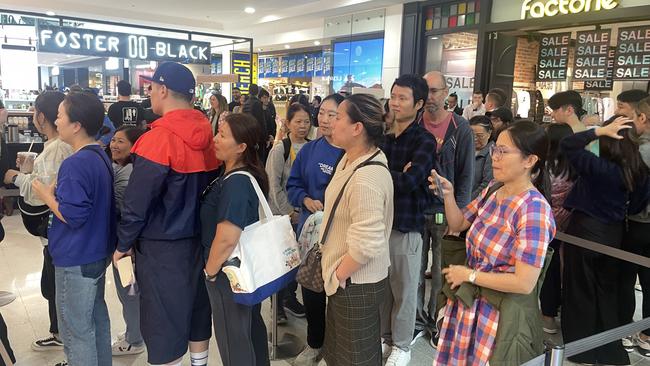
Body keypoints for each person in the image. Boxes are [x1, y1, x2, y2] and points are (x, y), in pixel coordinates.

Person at [113, 62, 218, 366]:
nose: (149, 94)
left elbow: (137, 202)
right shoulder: (208, 135)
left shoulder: (157, 139)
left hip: (162, 248)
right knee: (199, 309)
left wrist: (123, 244)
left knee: (161, 321)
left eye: (150, 88)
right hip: (200, 243)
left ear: (161, 89)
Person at [430, 120, 556, 365]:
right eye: (494, 149)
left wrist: (470, 276)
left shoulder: (534, 210)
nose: (495, 157)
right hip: (470, 305)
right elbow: (457, 225)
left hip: (499, 314)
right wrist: (447, 194)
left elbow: (524, 283)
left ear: (530, 160)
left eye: (503, 151)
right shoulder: (494, 188)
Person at [32, 92, 116, 366]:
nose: (56, 121)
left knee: (76, 332)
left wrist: (46, 195)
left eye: (60, 115)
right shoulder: (98, 155)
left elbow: (73, 215)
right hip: (95, 253)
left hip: (76, 257)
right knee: (96, 321)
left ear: (76, 124)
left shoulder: (75, 163)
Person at [561, 115, 650, 365]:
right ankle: (609, 350)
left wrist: (598, 131)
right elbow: (639, 205)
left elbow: (568, 143)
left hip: (584, 231)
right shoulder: (639, 170)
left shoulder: (596, 166)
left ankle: (581, 351)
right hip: (614, 234)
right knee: (606, 293)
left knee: (579, 291)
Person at [321, 93, 393, 366]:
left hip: (355, 283)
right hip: (348, 280)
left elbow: (367, 242)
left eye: (338, 117)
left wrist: (339, 275)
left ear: (357, 128)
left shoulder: (366, 177)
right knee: (342, 353)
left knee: (355, 358)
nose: (330, 122)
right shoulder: (352, 159)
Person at [2, 91, 72, 352]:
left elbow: (42, 192)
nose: (32, 117)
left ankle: (63, 335)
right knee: (51, 283)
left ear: (43, 116)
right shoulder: (55, 148)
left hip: (55, 230)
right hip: (53, 232)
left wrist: (16, 177)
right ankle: (59, 332)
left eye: (34, 112)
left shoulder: (56, 149)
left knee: (55, 285)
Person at [201, 113, 270, 366]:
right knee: (248, 331)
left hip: (227, 274)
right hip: (241, 272)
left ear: (241, 147)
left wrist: (210, 272)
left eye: (222, 135)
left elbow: (227, 238)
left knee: (233, 339)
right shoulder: (237, 176)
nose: (215, 139)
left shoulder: (237, 183)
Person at [380, 74, 436, 366]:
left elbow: (411, 182)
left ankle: (403, 345)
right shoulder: (383, 138)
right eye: (394, 96)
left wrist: (382, 174)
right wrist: (397, 173)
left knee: (405, 289)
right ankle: (386, 338)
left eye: (403, 98)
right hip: (379, 224)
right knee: (383, 288)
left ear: (419, 104)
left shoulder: (425, 140)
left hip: (407, 223)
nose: (396, 103)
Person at [286, 93, 345, 365]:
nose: (323, 119)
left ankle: (336, 345)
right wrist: (306, 200)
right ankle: (315, 342)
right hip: (312, 237)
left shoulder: (352, 153)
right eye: (321, 113)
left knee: (340, 294)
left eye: (331, 114)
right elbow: (293, 186)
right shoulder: (309, 150)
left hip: (342, 237)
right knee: (311, 292)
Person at [416, 71, 474, 344]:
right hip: (416, 208)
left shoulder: (460, 128)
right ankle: (417, 321)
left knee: (441, 272)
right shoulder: (415, 123)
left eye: (436, 91)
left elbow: (466, 175)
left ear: (447, 92)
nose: (430, 97)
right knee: (414, 270)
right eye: (426, 91)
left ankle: (437, 321)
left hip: (444, 211)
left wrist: (458, 214)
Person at [265, 102, 310, 323]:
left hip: (305, 216)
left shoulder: (313, 147)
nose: (303, 126)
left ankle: (289, 298)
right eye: (298, 121)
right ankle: (278, 305)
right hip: (283, 217)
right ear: (289, 123)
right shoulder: (280, 150)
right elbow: (273, 187)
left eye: (307, 122)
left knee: (298, 261)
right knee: (281, 262)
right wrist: (290, 212)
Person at [109, 126, 146, 356]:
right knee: (129, 291)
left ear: (134, 146)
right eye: (113, 139)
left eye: (121, 141)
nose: (114, 144)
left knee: (129, 292)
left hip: (125, 245)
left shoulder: (129, 172)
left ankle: (135, 339)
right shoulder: (125, 168)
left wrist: (125, 245)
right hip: (125, 243)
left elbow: (125, 211)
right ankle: (134, 331)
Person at [619, 95, 650, 355]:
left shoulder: (639, 149)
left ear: (641, 117)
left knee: (625, 279)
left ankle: (623, 331)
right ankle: (647, 336)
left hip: (637, 222)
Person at [539, 123, 576, 335]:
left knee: (549, 269)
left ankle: (548, 317)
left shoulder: (544, 166)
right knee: (566, 268)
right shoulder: (577, 164)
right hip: (572, 223)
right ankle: (565, 310)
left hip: (547, 221)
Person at [469, 115, 494, 199]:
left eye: (480, 135)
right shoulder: (466, 149)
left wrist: (466, 201)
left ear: (489, 133)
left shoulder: (492, 154)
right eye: (471, 135)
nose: (475, 139)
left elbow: (487, 184)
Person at [242, 84, 268, 162]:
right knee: (259, 160)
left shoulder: (246, 103)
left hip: (247, 134)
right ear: (257, 92)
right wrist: (265, 137)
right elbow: (261, 121)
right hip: (257, 137)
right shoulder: (257, 103)